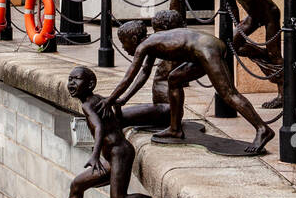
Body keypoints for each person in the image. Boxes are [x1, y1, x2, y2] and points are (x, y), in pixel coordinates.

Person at [99, 10, 275, 156]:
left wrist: (110, 99)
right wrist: (123, 99)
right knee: (174, 79)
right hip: (202, 48)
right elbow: (143, 74)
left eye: (124, 42)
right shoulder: (152, 43)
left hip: (206, 49)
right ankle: (175, 129)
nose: (123, 47)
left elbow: (129, 76)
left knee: (228, 94)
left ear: (135, 38)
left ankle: (262, 129)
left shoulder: (144, 46)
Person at [54, 66, 158, 198]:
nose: (71, 83)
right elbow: (116, 121)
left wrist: (94, 155)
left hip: (120, 154)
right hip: (113, 156)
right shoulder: (99, 101)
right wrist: (116, 108)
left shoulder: (88, 105)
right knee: (77, 185)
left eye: (76, 79)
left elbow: (100, 127)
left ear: (90, 84)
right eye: (69, 79)